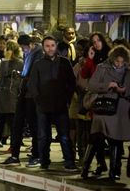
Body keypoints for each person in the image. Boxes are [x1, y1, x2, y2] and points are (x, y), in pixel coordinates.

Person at [28, 36, 77, 171]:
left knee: (64, 136)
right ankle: (44, 161)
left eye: (52, 45)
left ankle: (69, 161)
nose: (50, 48)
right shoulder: (38, 64)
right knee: (43, 136)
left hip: (60, 105)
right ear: (43, 48)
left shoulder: (65, 63)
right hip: (43, 106)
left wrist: (67, 98)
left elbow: (72, 82)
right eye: (47, 46)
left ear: (56, 46)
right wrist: (38, 100)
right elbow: (33, 84)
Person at [81, 46, 130, 180]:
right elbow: (91, 85)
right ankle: (86, 168)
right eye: (117, 61)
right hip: (103, 108)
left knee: (115, 139)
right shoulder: (102, 67)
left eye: (122, 62)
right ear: (112, 59)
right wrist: (108, 85)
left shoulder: (128, 71)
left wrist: (123, 90)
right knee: (96, 138)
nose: (119, 64)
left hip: (119, 110)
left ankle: (114, 171)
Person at [1, 34, 43, 166]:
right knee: (16, 124)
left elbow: (34, 73)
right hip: (24, 91)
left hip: (32, 94)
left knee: (34, 125)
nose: (23, 50)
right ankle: (15, 155)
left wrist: (24, 76)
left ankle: (37, 154)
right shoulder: (28, 54)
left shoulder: (38, 53)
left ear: (29, 44)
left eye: (24, 47)